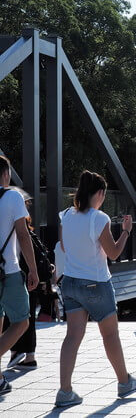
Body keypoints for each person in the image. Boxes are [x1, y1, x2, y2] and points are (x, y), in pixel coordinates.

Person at [56, 170, 136, 407]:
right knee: (110, 334)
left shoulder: (66, 215)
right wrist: (126, 231)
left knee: (72, 337)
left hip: (70, 282)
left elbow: (64, 247)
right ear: (100, 193)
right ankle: (124, 382)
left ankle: (65, 391)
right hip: (96, 283)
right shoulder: (99, 218)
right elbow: (114, 253)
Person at [0, 155, 39, 395]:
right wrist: (33, 269)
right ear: (5, 174)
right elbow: (23, 235)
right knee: (21, 321)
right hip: (8, 270)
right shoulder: (12, 196)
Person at [3, 203, 53, 371]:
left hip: (16, 275)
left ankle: (16, 352)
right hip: (25, 276)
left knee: (15, 318)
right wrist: (34, 272)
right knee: (26, 318)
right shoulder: (28, 230)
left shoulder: (15, 230)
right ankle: (28, 356)